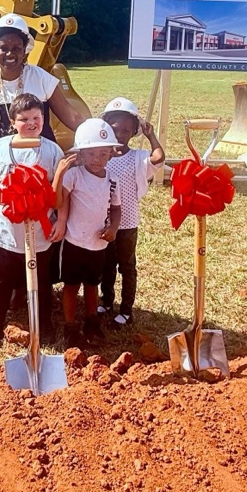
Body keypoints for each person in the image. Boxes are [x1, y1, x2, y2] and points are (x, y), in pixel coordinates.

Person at [0, 13, 86, 282]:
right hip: (3, 161)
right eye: (3, 48)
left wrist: (98, 136)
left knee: (44, 210)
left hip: (40, 159)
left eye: (16, 48)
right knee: (1, 214)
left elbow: (70, 116)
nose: (10, 53)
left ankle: (37, 279)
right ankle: (2, 277)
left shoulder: (42, 79)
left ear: (26, 49)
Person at [0, 93, 65, 346]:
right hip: (4, 232)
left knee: (41, 283)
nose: (32, 123)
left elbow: (61, 191)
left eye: (37, 117)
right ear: (13, 121)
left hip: (40, 233)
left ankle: (42, 324)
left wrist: (61, 220)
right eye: (24, 119)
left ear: (44, 119)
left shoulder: (51, 151)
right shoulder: (1, 148)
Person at [54, 118, 122, 348]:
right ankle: (70, 327)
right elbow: (56, 201)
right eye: (91, 154)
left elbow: (115, 208)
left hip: (98, 245)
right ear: (81, 154)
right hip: (74, 242)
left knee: (93, 286)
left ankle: (92, 324)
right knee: (71, 286)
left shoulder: (112, 180)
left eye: (103, 154)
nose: (97, 160)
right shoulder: (74, 176)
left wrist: (113, 228)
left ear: (111, 154)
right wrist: (59, 174)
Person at [98, 97, 165, 325]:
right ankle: (106, 301)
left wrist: (151, 135)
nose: (121, 134)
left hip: (127, 223)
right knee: (105, 265)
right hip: (104, 221)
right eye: (116, 129)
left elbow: (159, 158)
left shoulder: (137, 158)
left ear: (134, 131)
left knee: (126, 266)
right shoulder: (101, 156)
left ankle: (126, 309)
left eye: (127, 130)